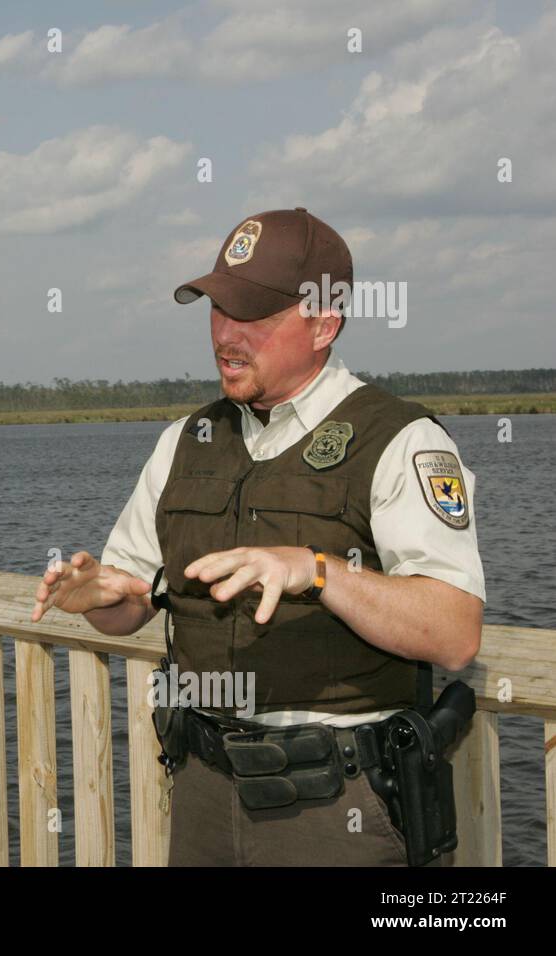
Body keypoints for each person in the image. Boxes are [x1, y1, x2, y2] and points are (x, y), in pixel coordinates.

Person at [31, 207, 485, 866]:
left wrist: (318, 571)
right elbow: (130, 604)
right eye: (218, 311)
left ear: (325, 322)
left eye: (256, 318)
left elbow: (454, 632)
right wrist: (100, 595)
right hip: (205, 793)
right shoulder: (184, 444)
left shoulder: (401, 441)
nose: (226, 336)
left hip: (339, 811)